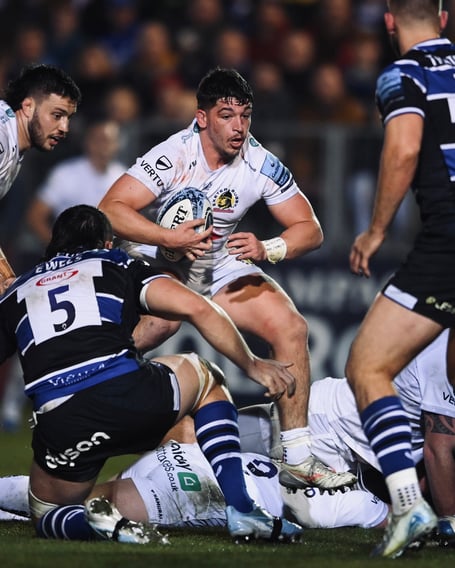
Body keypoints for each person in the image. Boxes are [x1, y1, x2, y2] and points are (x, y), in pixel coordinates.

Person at [98, 67, 355, 491]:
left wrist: (269, 247)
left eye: (245, 115)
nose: (239, 127)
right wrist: (169, 238)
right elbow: (109, 209)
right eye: (226, 115)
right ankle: (85, 378)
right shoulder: (174, 154)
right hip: (160, 257)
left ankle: (296, 457)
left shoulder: (260, 163)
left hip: (218, 261)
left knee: (291, 327)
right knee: (161, 324)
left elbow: (310, 229)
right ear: (202, 118)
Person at [0, 204, 302, 544]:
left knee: (47, 512)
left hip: (64, 423)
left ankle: (95, 524)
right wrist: (253, 364)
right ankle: (244, 510)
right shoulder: (116, 263)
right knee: (206, 376)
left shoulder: (16, 292)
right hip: (131, 396)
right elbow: (197, 308)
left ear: (52, 245)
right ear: (107, 243)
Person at [3, 331, 454, 534]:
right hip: (297, 431)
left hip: (198, 460)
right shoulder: (361, 504)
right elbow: (432, 460)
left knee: (84, 492)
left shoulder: (357, 484)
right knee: (86, 508)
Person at [345, 0, 454, 558]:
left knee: (367, 367)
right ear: (443, 16)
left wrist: (376, 230)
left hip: (448, 241)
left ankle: (409, 505)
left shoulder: (403, 74)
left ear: (389, 21)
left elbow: (405, 146)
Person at [0, 63, 81, 295]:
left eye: (67, 118)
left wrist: (7, 279)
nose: (64, 128)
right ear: (28, 106)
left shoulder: (12, 140)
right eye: (57, 115)